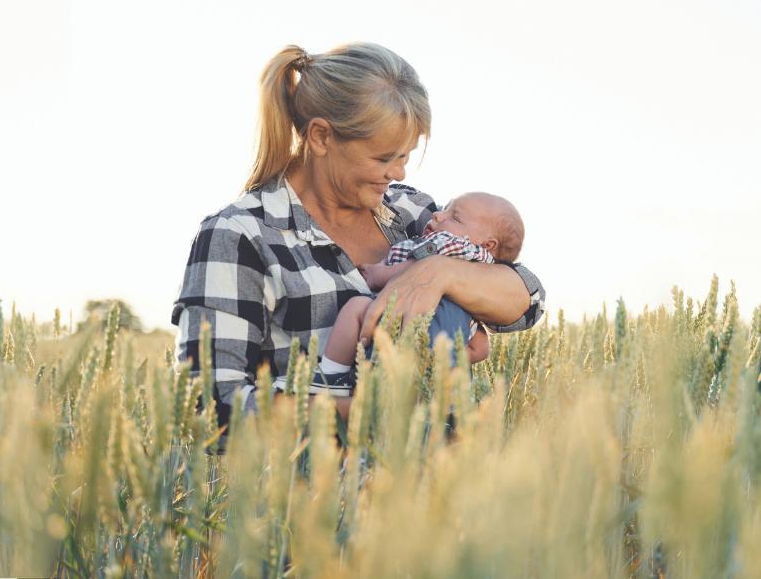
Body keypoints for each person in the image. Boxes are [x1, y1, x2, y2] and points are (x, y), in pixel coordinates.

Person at [171, 43, 545, 426]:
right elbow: (210, 406)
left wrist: (438, 274)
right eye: (384, 158)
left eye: (405, 156)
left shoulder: (412, 214)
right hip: (313, 482)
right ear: (320, 137)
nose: (399, 173)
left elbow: (526, 301)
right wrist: (378, 414)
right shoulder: (240, 236)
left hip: (437, 480)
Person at [313, 192, 526, 396]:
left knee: (355, 308)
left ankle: (332, 375)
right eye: (446, 209)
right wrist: (444, 358)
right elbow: (481, 349)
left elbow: (418, 267)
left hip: (400, 324)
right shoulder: (476, 280)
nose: (438, 214)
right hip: (434, 374)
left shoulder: (458, 247)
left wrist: (380, 274)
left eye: (456, 217)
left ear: (487, 244)